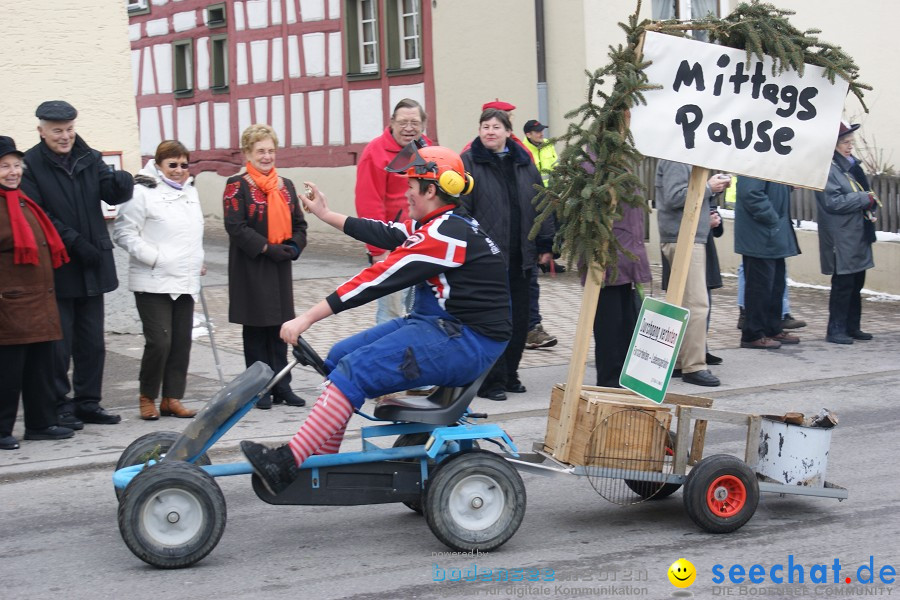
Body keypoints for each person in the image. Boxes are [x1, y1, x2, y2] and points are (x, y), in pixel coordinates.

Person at [239, 145, 511, 494]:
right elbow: (386, 232)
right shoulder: (439, 223)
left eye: (412, 184)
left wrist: (306, 318)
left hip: (468, 340)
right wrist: (326, 214)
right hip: (442, 326)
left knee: (357, 369)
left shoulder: (444, 236)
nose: (406, 191)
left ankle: (289, 462)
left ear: (432, 189)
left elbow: (375, 280)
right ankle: (321, 459)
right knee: (339, 356)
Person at [20, 100, 134, 428]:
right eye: (57, 131)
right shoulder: (31, 165)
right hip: (58, 265)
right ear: (41, 131)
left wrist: (123, 182)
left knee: (92, 343)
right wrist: (75, 242)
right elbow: (40, 216)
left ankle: (88, 402)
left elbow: (110, 194)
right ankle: (59, 406)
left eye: (70, 129)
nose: (65, 136)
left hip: (92, 263)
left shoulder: (89, 157)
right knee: (60, 345)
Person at [462, 108, 554, 401]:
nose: (490, 131)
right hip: (486, 259)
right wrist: (472, 247)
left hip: (521, 257)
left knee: (518, 320)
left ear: (507, 132)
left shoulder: (524, 161)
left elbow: (542, 203)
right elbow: (460, 210)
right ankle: (491, 381)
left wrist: (545, 244)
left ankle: (511, 374)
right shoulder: (468, 162)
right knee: (492, 321)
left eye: (496, 127)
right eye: (485, 126)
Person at [113, 140, 204, 420]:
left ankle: (172, 398)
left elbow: (190, 234)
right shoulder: (142, 192)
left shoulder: (190, 192)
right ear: (159, 164)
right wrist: (154, 257)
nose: (179, 171)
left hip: (184, 279)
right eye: (172, 165)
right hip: (152, 279)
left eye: (183, 165)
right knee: (159, 342)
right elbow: (123, 233)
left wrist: (195, 262)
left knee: (180, 342)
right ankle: (147, 396)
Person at [224, 124, 308, 409]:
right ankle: (259, 389)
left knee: (280, 328)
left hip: (279, 267)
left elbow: (300, 224)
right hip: (252, 266)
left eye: (271, 150)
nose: (267, 156)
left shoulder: (286, 186)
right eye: (261, 151)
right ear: (248, 152)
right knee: (256, 330)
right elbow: (236, 227)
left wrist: (294, 246)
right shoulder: (237, 186)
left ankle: (282, 386)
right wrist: (268, 248)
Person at [0, 136, 74, 449]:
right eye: (4, 166)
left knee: (40, 369)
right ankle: (2, 429)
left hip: (39, 303)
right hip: (10, 305)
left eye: (17, 165)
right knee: (7, 373)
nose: (13, 171)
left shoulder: (21, 200)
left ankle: (41, 424)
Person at [354, 99, 433, 325]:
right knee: (391, 313)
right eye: (403, 122)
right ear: (391, 123)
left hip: (425, 243)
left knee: (421, 308)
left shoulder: (428, 150)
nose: (409, 128)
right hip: (392, 246)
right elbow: (369, 202)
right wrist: (377, 249)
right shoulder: (375, 153)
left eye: (414, 122)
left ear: (423, 124)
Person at [655, 160, 728, 387]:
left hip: (687, 235)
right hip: (683, 237)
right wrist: (708, 188)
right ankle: (694, 366)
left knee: (684, 304)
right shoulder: (676, 158)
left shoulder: (682, 155)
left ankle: (680, 361)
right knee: (697, 305)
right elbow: (675, 197)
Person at [815, 121, 877, 345]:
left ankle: (852, 327)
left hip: (856, 234)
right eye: (845, 143)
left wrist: (870, 202)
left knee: (856, 282)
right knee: (843, 284)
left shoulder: (851, 166)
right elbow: (832, 202)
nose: (849, 147)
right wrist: (864, 199)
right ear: (833, 145)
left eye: (851, 142)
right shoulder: (829, 169)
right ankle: (836, 329)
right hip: (841, 237)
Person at [734, 176, 800, 349]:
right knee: (759, 288)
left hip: (772, 234)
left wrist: (787, 187)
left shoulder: (773, 162)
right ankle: (752, 334)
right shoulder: (756, 160)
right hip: (760, 234)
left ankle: (772, 328)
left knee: (775, 285)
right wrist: (772, 218)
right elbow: (750, 193)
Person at [591, 203, 651, 387]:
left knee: (627, 324)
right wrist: (596, 259)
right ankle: (610, 381)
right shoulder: (597, 174)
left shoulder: (626, 177)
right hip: (608, 265)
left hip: (627, 262)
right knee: (610, 326)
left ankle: (625, 378)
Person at [520, 118, 560, 351]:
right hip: (528, 219)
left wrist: (546, 245)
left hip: (544, 208)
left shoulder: (548, 147)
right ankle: (526, 329)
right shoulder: (523, 152)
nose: (540, 134)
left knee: (531, 285)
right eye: (536, 132)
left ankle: (532, 328)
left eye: (541, 131)